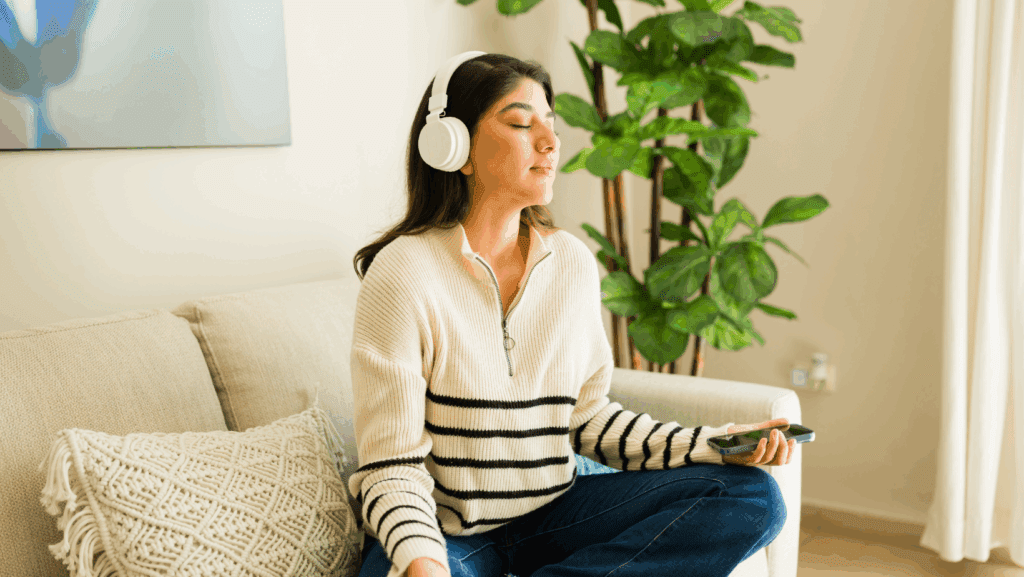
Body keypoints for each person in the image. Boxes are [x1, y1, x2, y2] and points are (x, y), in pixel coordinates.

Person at [348, 53, 795, 577]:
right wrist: (423, 565)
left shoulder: (571, 264)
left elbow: (587, 418)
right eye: (520, 123)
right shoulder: (403, 273)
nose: (550, 143)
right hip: (450, 536)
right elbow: (391, 469)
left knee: (752, 497)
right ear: (454, 148)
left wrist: (715, 445)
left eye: (551, 126)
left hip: (559, 515)